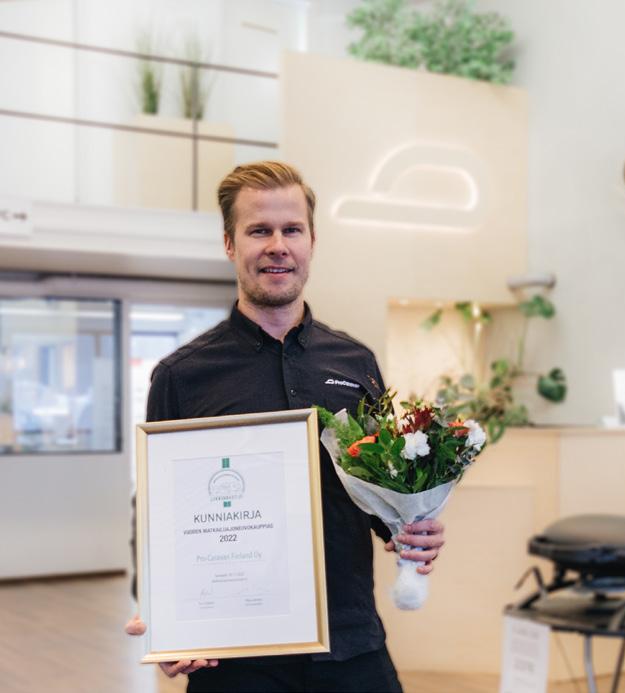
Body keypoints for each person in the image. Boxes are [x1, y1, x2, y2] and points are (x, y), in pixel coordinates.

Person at [125, 161, 445, 692]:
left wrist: (410, 527)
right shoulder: (182, 376)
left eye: (291, 229)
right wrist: (164, 619)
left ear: (311, 241)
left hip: (351, 641)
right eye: (259, 230)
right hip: (237, 654)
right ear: (230, 244)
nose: (278, 246)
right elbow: (157, 515)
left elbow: (380, 494)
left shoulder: (356, 363)